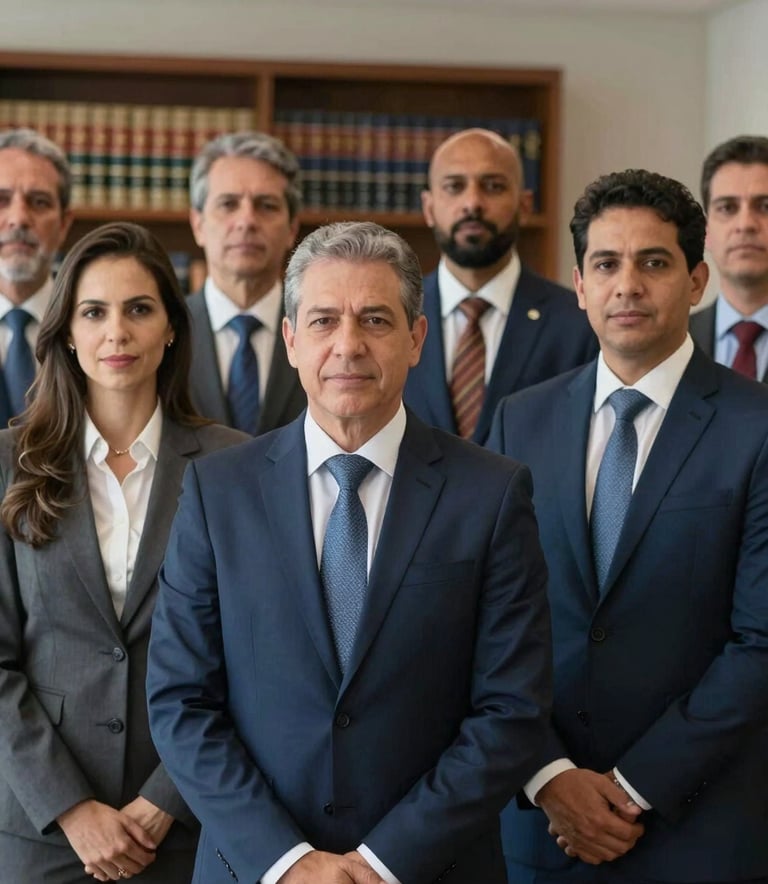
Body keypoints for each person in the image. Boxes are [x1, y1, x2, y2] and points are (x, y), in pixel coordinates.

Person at [147, 220, 552, 884]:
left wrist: (381, 862)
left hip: (431, 867)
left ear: (417, 339)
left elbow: (511, 710)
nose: (348, 345)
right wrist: (287, 860)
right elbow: (180, 700)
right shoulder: (220, 492)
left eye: (375, 320)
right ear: (290, 340)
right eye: (324, 320)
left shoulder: (493, 493)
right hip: (255, 868)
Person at [488, 169, 768, 884]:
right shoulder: (522, 420)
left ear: (697, 278)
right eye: (606, 264)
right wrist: (551, 776)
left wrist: (634, 786)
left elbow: (760, 642)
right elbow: (483, 623)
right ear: (578, 285)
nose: (628, 285)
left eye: (654, 263)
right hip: (538, 832)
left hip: (700, 827)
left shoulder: (757, 428)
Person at [0, 222, 248, 883]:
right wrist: (72, 808)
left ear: (172, 327)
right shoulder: (10, 462)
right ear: (67, 332)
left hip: (188, 825)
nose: (117, 333)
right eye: (94, 312)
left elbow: (255, 657)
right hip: (43, 831)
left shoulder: (235, 464)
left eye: (139, 309)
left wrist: (167, 799)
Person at [404, 127, 597, 445]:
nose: (472, 203)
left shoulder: (578, 323)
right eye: (454, 186)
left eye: (493, 186)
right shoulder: (394, 318)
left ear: (524, 204)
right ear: (428, 207)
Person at [187, 130, 306, 433]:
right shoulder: (165, 330)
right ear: (198, 224)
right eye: (228, 204)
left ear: (292, 228)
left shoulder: (318, 329)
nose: (247, 221)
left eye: (266, 205)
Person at [0, 127, 73, 426]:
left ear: (64, 224)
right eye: (2, 200)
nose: (19, 218)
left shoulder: (93, 324)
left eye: (39, 202)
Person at [690, 135, 768, 380]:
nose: (745, 224)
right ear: (706, 231)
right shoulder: (669, 341)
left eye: (765, 206)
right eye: (727, 208)